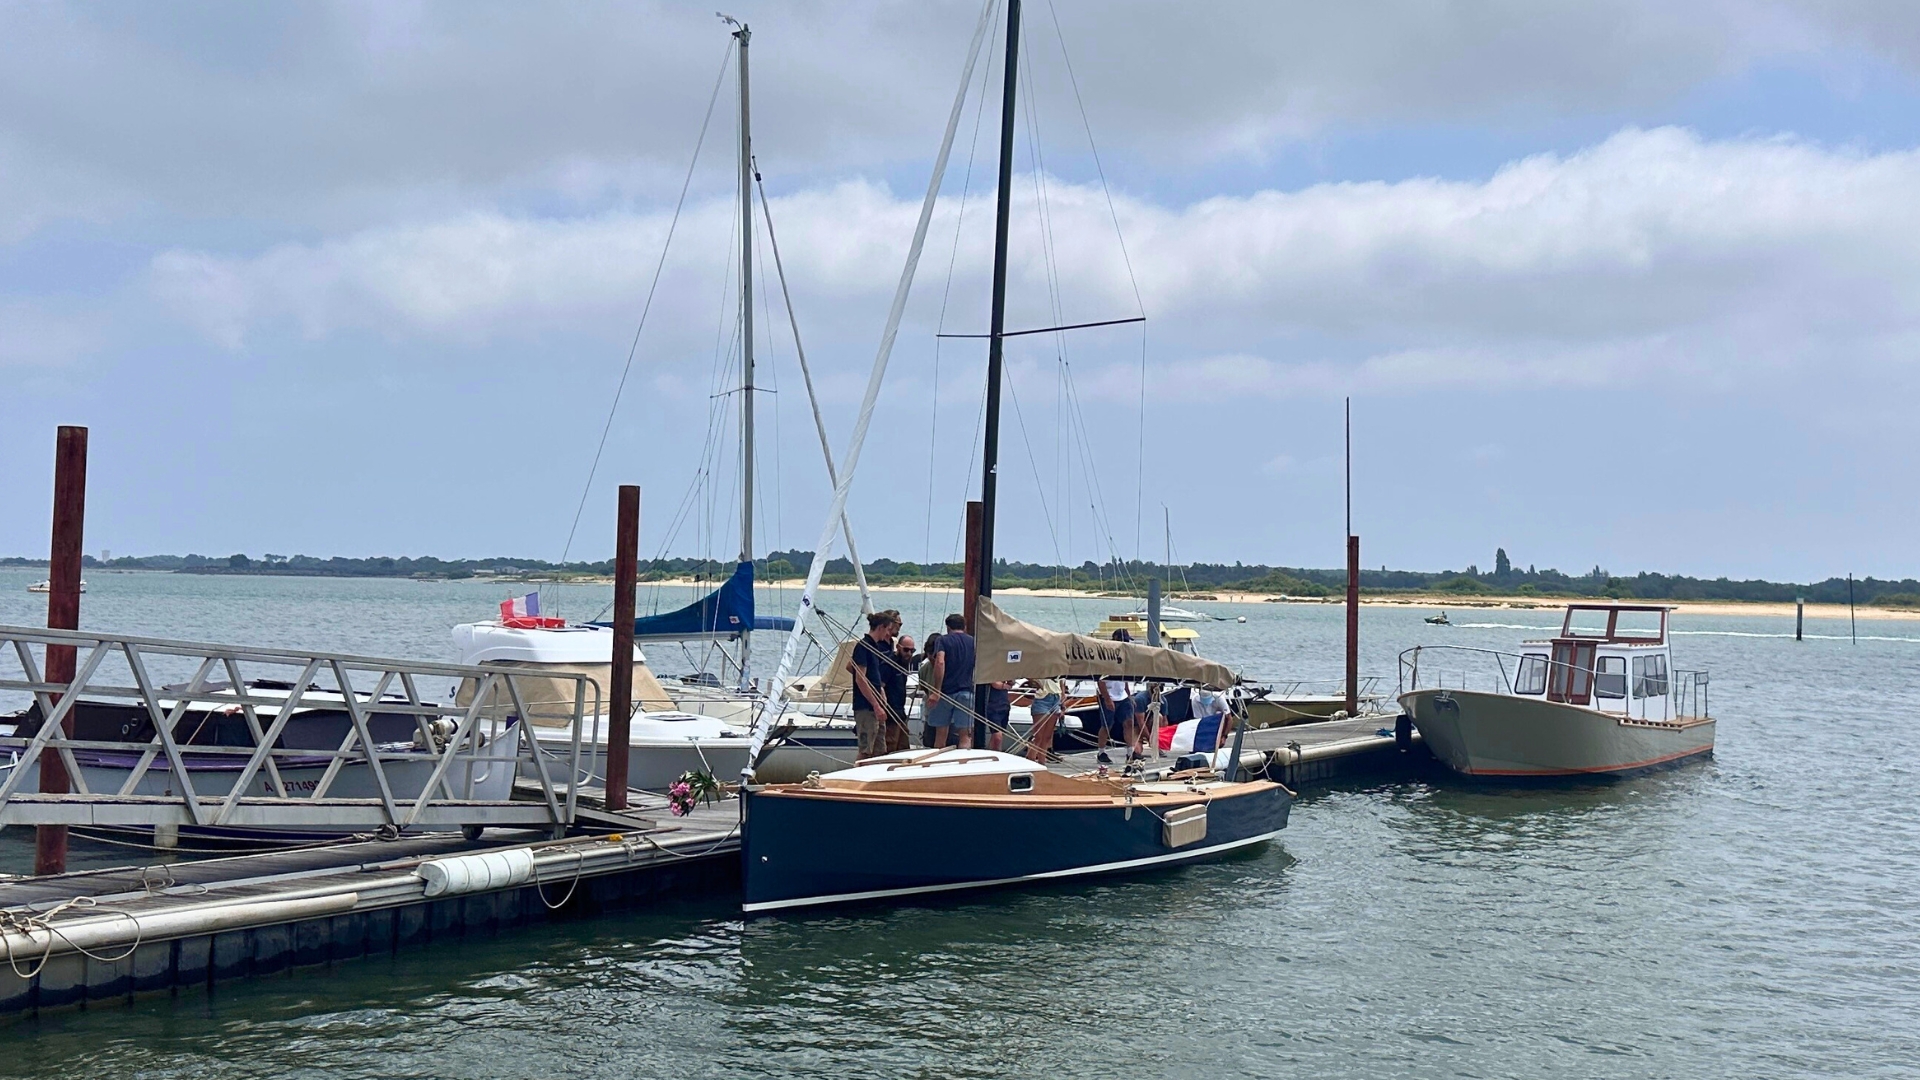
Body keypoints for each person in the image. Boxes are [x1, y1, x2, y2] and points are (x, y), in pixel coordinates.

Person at [847, 610, 900, 760]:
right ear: (881, 628)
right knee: (866, 750)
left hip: (876, 703)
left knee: (879, 751)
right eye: (888, 629)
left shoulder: (874, 647)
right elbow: (860, 678)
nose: (888, 634)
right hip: (866, 706)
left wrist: (880, 690)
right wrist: (876, 705)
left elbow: (855, 668)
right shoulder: (863, 646)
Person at [924, 613, 975, 749]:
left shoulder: (943, 641)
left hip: (946, 692)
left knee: (941, 735)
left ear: (948, 627)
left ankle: (937, 766)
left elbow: (940, 662)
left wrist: (936, 690)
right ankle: (964, 765)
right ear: (964, 626)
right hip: (966, 692)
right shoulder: (973, 642)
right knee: (965, 735)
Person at [1096, 628, 1135, 764]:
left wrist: (1129, 695)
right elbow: (1100, 680)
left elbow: (1124, 679)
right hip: (1109, 694)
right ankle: (1101, 752)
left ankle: (1130, 752)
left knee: (1129, 722)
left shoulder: (1125, 657)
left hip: (1122, 695)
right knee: (1107, 725)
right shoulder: (1106, 657)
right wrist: (1107, 698)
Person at [885, 631, 916, 754]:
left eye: (912, 651)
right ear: (898, 647)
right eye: (906, 650)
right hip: (890, 712)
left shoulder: (905, 664)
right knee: (890, 746)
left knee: (904, 747)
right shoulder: (890, 662)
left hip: (900, 712)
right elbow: (881, 685)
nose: (909, 653)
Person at [1025, 676, 1065, 763]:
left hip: (1056, 698)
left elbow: (1061, 683)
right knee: (1038, 736)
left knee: (1047, 736)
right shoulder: (1042, 665)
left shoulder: (1059, 667)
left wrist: (1062, 703)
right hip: (1042, 699)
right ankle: (1030, 759)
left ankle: (1042, 762)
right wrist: (1035, 682)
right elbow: (1026, 671)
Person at [983, 680, 1013, 751]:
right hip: (992, 705)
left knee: (998, 737)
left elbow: (1011, 682)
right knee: (997, 736)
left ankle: (994, 754)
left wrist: (1010, 682)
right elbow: (994, 683)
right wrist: (1005, 686)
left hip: (1004, 704)